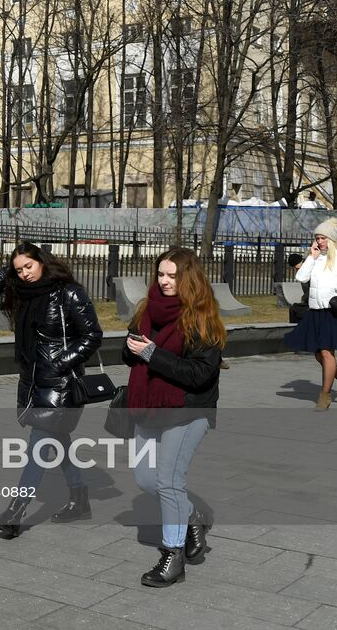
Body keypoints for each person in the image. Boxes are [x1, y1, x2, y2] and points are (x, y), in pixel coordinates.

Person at [0, 243, 102, 537]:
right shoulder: (21, 296)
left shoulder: (68, 293)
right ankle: (80, 497)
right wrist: (8, 268)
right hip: (33, 380)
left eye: (28, 266)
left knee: (39, 443)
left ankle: (15, 511)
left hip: (61, 382)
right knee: (57, 440)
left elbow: (92, 335)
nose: (24, 274)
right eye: (19, 270)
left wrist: (61, 361)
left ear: (42, 262)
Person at [123, 247, 225, 588]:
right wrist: (132, 347)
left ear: (188, 279)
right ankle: (192, 517)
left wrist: (151, 353)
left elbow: (199, 375)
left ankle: (172, 556)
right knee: (144, 479)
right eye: (161, 275)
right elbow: (129, 354)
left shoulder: (202, 317)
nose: (165, 282)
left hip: (187, 408)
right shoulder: (147, 308)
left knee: (167, 482)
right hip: (148, 406)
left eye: (172, 276)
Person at [283, 218, 337, 410]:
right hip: (316, 312)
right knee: (319, 354)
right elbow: (301, 277)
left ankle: (324, 395)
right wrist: (311, 257)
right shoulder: (316, 259)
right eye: (317, 238)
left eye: (322, 238)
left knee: (326, 352)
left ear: (332, 239)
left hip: (334, 313)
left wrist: (335, 285)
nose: (319, 242)